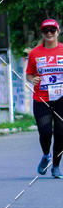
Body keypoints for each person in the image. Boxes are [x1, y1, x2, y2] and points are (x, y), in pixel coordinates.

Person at [26, 18, 63, 178]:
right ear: (42, 33)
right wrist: (32, 79)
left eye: (52, 30)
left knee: (61, 133)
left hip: (61, 98)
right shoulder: (35, 53)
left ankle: (56, 166)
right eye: (45, 30)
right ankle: (46, 155)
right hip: (41, 99)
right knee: (46, 132)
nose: (49, 33)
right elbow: (29, 74)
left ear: (58, 32)